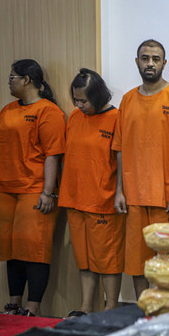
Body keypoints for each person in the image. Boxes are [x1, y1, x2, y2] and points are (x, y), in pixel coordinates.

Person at [112, 39, 169, 299]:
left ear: (164, 63)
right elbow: (120, 149)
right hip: (134, 198)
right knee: (138, 264)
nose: (150, 63)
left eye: (155, 59)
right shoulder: (126, 100)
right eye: (145, 58)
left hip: (167, 197)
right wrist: (120, 192)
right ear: (137, 62)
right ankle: (143, 309)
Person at [0, 59, 65, 317]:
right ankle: (14, 304)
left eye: (12, 76)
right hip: (3, 189)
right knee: (11, 247)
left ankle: (32, 308)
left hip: (34, 188)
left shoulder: (48, 111)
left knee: (33, 248)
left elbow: (52, 155)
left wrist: (48, 192)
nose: (8, 81)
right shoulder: (7, 110)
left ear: (27, 80)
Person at [58, 69, 124, 316]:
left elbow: (122, 160)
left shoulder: (117, 117)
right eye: (76, 100)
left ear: (98, 96)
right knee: (83, 258)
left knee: (107, 259)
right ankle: (86, 307)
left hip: (103, 199)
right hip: (74, 198)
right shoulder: (74, 117)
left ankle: (111, 308)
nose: (79, 105)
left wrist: (120, 193)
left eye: (84, 100)